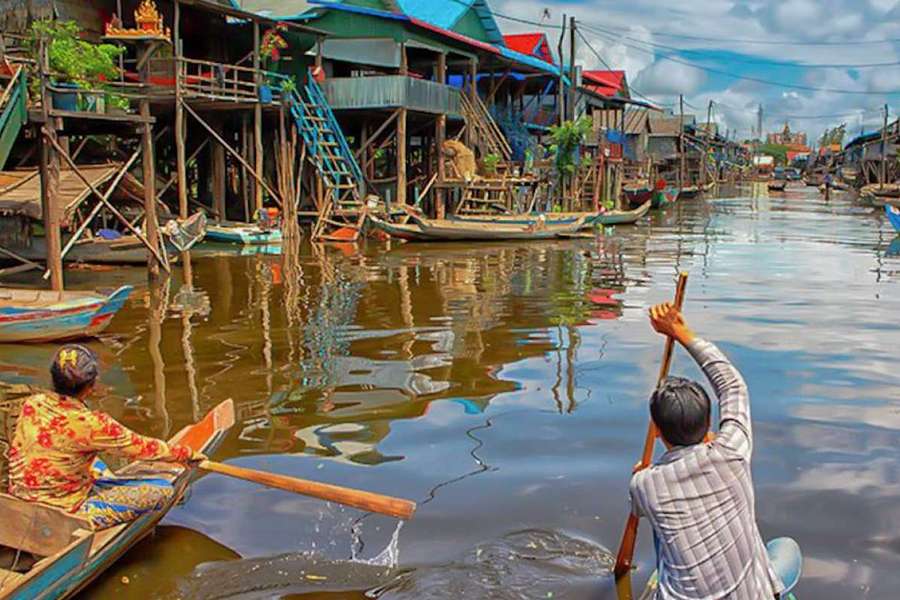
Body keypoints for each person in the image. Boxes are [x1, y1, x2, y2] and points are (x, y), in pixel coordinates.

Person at [629, 303, 801, 599]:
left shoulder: (643, 485)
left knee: (662, 531)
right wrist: (681, 333)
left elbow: (639, 504)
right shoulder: (732, 450)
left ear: (656, 431)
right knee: (786, 550)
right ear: (709, 425)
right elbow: (733, 387)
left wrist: (642, 476)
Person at [6, 344, 204, 530]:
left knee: (93, 461)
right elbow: (142, 448)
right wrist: (185, 454)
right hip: (63, 511)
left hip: (21, 497)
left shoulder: (33, 403)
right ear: (90, 387)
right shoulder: (92, 424)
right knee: (163, 491)